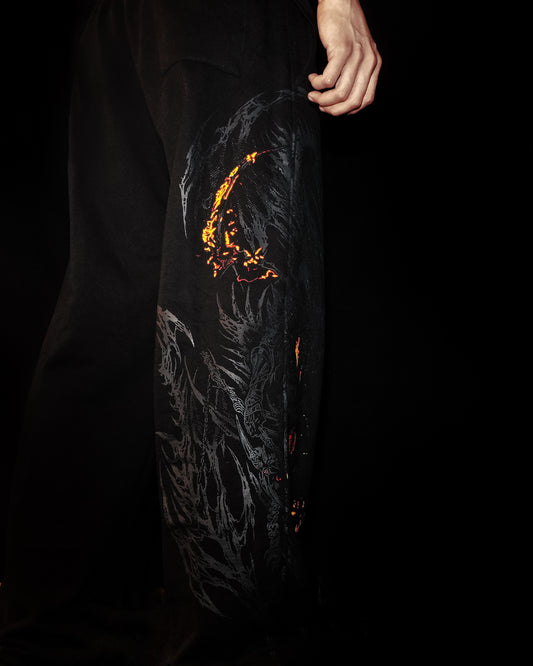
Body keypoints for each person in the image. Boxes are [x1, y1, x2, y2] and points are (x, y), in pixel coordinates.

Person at [0, 0, 380, 664]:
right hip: (226, 19)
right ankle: (229, 641)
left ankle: (51, 620)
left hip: (115, 25)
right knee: (241, 321)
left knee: (110, 314)